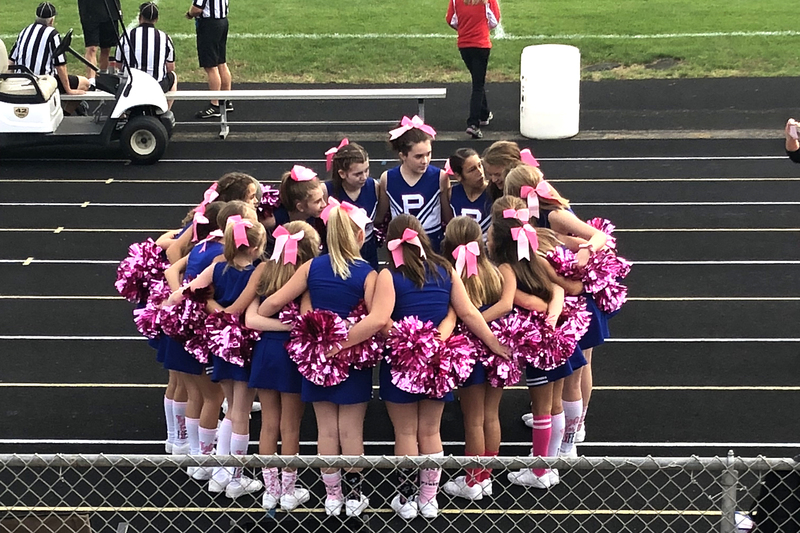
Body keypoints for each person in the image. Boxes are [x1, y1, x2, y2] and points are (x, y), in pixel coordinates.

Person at [375, 214, 509, 519]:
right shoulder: (445, 268)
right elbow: (470, 314)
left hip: (402, 361)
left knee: (406, 432)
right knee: (431, 431)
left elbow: (382, 321)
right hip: (438, 360)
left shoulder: (389, 274)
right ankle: (429, 500)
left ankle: (407, 500)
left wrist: (410, 340)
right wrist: (494, 344)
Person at [257, 203, 376, 518]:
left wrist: (305, 317)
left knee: (326, 431)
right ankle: (353, 498)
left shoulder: (311, 268)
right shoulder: (369, 273)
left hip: (317, 358)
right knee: (351, 431)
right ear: (360, 236)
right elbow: (377, 319)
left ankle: (332, 498)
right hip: (352, 358)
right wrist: (343, 342)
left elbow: (271, 304)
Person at [165, 215, 267, 500]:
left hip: (221, 342)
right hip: (244, 344)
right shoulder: (258, 271)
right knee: (240, 411)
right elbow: (238, 309)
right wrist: (220, 310)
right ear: (257, 248)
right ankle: (233, 477)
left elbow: (192, 289)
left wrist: (198, 303)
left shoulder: (217, 265)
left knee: (231, 407)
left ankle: (219, 472)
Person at [245, 221, 320, 512]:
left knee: (268, 425)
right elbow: (306, 319)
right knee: (290, 426)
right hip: (291, 354)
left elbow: (252, 318)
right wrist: (288, 326)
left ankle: (270, 491)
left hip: (265, 352)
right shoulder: (305, 276)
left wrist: (273, 325)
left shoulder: (264, 270)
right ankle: (288, 492)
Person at [440, 216, 515, 501]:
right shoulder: (494, 271)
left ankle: (473, 481)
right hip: (498, 349)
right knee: (490, 414)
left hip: (469, 350)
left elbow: (461, 314)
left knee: (473, 418)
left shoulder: (453, 274)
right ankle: (487, 477)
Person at [378, 116, 450, 253]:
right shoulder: (387, 179)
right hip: (402, 245)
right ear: (403, 156)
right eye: (418, 156)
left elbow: (447, 218)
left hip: (432, 243)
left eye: (428, 154)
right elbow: (381, 217)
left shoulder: (440, 177)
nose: (425, 160)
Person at [8, 3, 90, 113]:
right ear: (51, 20)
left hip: (21, 78)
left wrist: (8, 80)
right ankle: (65, 114)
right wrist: (69, 90)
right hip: (42, 81)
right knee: (85, 83)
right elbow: (60, 65)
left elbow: (11, 60)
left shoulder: (24, 31)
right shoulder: (52, 34)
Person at [446, 0, 501, 139]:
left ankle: (484, 113)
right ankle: (473, 123)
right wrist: (481, 28)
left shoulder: (455, 1)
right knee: (478, 85)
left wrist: (465, 28)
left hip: (464, 45)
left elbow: (451, 20)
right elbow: (494, 20)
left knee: (478, 80)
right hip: (481, 44)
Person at [324, 140, 382, 269]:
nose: (364, 177)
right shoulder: (326, 191)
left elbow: (378, 218)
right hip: (338, 253)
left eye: (366, 170)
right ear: (342, 174)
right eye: (358, 174)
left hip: (367, 251)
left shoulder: (374, 187)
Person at [112, 3, 177, 103]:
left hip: (131, 85)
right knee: (173, 76)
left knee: (120, 75)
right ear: (156, 19)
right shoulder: (165, 38)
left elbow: (118, 65)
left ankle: (122, 114)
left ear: (140, 17)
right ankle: (166, 112)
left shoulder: (126, 36)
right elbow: (170, 68)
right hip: (157, 85)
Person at [187, 0, 232, 118]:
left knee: (211, 66)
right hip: (222, 21)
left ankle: (215, 105)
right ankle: (225, 100)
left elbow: (197, 8)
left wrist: (189, 14)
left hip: (209, 25)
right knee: (221, 62)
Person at [443, 148, 492, 237]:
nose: (480, 172)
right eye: (472, 170)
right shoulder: (452, 194)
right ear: (458, 176)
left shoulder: (494, 192)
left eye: (480, 165)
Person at [78, 0, 116, 78]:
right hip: (89, 11)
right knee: (92, 48)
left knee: (106, 48)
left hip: (109, 8)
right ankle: (92, 82)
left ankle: (103, 77)